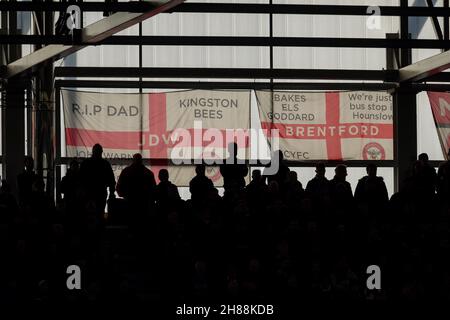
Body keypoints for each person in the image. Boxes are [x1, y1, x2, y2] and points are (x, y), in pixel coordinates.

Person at [79, 144, 116, 218]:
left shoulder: (86, 163)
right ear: (101, 152)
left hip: (89, 193)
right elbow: (111, 179)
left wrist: (81, 191)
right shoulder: (105, 164)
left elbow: (80, 179)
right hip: (99, 193)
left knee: (88, 216)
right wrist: (111, 193)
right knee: (99, 215)